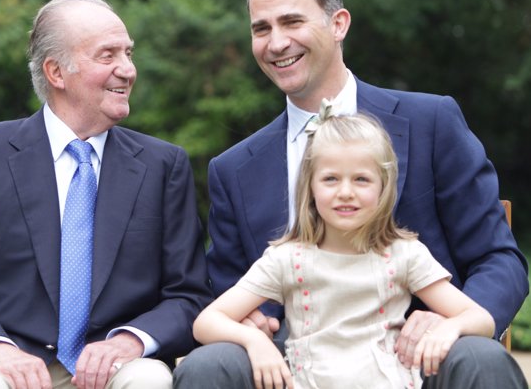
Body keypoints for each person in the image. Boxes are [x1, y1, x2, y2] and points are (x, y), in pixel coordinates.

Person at [174, 0, 528, 388]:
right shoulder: (232, 169)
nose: (276, 42)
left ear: (338, 23)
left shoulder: (432, 122)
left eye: (292, 22)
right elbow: (227, 290)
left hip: (421, 354)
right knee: (208, 367)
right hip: (290, 365)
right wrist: (253, 328)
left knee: (481, 359)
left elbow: (498, 258)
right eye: (261, 28)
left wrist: (449, 321)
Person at [0, 0, 212, 389]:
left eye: (128, 53)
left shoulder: (164, 166)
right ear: (56, 72)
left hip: (121, 367)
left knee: (149, 381)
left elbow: (189, 295)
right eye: (107, 55)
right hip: (7, 363)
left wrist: (130, 341)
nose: (127, 70)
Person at [193, 105, 495, 389]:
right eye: (330, 179)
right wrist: (253, 341)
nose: (345, 192)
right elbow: (207, 322)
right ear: (310, 187)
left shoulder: (403, 254)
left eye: (362, 179)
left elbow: (479, 318)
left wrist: (448, 328)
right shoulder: (287, 259)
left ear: (384, 186)